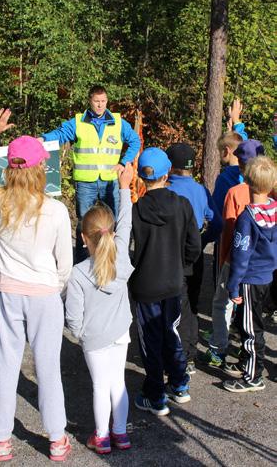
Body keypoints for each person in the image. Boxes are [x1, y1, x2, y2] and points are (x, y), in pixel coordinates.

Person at [0, 109, 73, 462]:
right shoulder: (55, 211)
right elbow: (65, 265)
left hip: (7, 292)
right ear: (43, 169)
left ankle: (1, 440)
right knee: (48, 370)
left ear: (8, 169)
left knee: (6, 366)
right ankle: (56, 439)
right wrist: (53, 285)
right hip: (44, 295)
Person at [65, 163, 134, 455]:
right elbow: (126, 222)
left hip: (94, 339)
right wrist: (124, 187)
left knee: (100, 386)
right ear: (112, 233)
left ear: (83, 238)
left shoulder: (79, 273)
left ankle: (102, 436)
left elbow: (73, 316)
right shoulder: (121, 261)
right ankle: (121, 433)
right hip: (120, 333)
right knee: (118, 383)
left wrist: (79, 333)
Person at [129, 148, 201, 416]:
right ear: (167, 172)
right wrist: (180, 267)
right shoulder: (182, 205)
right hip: (173, 282)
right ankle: (180, 384)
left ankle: (155, 394)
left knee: (150, 338)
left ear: (140, 176)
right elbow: (194, 245)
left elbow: (127, 248)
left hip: (145, 284)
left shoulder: (136, 210)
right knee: (172, 333)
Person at [40, 85, 141, 262]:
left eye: (103, 101)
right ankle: (82, 262)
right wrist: (43, 139)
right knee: (84, 224)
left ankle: (113, 260)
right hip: (85, 183)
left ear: (107, 101)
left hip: (110, 182)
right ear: (90, 101)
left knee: (114, 223)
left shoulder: (118, 122)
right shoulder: (78, 122)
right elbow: (61, 134)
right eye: (96, 101)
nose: (100, 105)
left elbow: (134, 141)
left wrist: (124, 162)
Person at [201, 140, 265, 367]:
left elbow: (227, 230)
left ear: (240, 163)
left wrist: (223, 259)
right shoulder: (270, 191)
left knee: (222, 303)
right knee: (250, 307)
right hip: (260, 264)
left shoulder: (235, 193)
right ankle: (246, 351)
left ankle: (218, 349)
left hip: (234, 259)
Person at [166, 143, 222, 375]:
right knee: (192, 302)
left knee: (173, 305)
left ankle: (176, 354)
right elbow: (217, 222)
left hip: (172, 254)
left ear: (170, 166)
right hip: (195, 254)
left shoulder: (167, 190)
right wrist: (202, 241)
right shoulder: (200, 190)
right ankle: (189, 353)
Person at [223, 156, 277, 392]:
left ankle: (253, 376)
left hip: (250, 279)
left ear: (247, 181)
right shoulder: (275, 210)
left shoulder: (247, 219)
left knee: (251, 329)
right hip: (269, 275)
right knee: (253, 323)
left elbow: (240, 256)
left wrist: (233, 286)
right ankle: (248, 362)